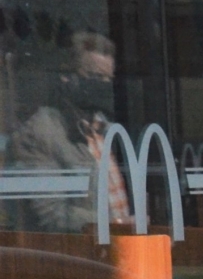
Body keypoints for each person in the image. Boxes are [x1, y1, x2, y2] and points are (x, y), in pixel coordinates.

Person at [8, 32, 128, 233]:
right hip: (79, 255)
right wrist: (116, 226)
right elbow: (53, 215)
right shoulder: (41, 133)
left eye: (109, 79)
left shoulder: (103, 128)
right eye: (96, 76)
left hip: (119, 249)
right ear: (66, 77)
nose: (103, 85)